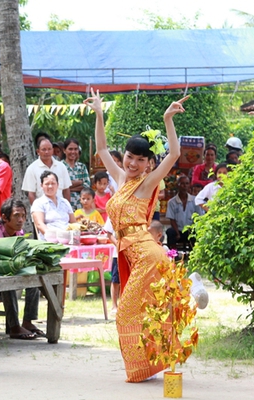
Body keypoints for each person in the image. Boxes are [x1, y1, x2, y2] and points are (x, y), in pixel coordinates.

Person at [85, 87, 188, 382]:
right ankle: (151, 367)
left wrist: (168, 119)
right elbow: (103, 149)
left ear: (148, 164)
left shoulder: (146, 183)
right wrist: (100, 115)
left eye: (140, 160)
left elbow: (175, 154)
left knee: (127, 312)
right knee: (145, 311)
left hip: (147, 255)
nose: (132, 163)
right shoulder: (120, 178)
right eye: (130, 157)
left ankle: (145, 370)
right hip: (133, 253)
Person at [0, 199, 43, 340]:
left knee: (33, 280)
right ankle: (14, 326)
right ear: (4, 217)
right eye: (16, 215)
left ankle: (28, 321)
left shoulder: (19, 234)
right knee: (8, 282)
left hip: (11, 274)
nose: (21, 220)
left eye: (23, 216)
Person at [22, 137, 72, 205]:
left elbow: (66, 190)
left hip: (60, 210)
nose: (47, 152)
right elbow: (31, 194)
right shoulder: (32, 169)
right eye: (43, 149)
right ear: (38, 152)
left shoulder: (61, 167)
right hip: (42, 210)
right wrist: (37, 211)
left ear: (52, 150)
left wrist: (67, 209)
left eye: (49, 149)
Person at [31, 171, 75, 241]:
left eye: (53, 183)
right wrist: (55, 238)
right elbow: (39, 224)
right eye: (47, 184)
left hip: (69, 239)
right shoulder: (38, 203)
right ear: (41, 185)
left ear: (58, 185)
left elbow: (73, 223)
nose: (50, 186)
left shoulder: (65, 202)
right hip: (50, 242)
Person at [165, 175, 203, 250]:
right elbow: (172, 220)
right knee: (170, 232)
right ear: (177, 185)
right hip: (178, 230)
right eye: (182, 183)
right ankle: (174, 255)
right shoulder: (172, 202)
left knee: (198, 233)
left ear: (189, 185)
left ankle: (195, 256)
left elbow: (199, 217)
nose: (184, 186)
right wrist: (178, 233)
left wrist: (194, 229)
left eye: (186, 183)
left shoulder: (194, 200)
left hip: (190, 230)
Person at [62, 138, 90, 210]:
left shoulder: (82, 167)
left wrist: (67, 188)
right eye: (70, 149)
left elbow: (86, 186)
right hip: (65, 206)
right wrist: (79, 182)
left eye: (75, 149)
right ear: (64, 150)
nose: (73, 152)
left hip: (81, 206)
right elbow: (59, 187)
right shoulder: (60, 166)